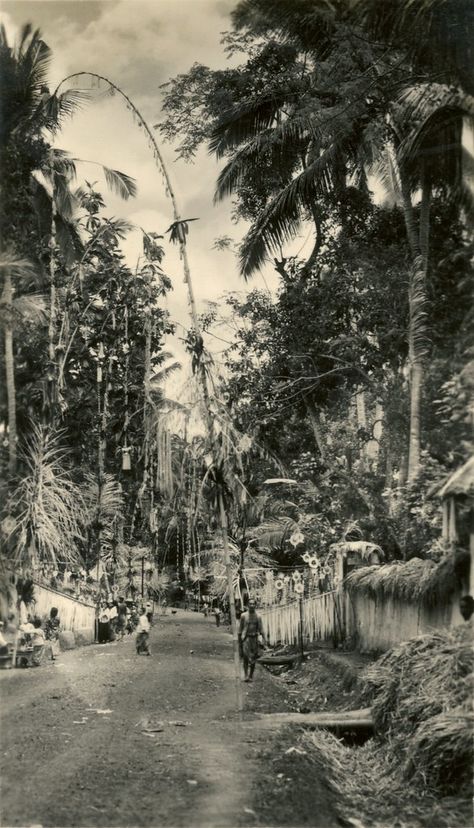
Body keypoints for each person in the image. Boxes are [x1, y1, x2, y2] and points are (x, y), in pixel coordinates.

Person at [239, 599, 267, 682]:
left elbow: (261, 629)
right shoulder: (243, 615)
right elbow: (240, 629)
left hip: (254, 639)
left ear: (255, 605)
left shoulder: (258, 616)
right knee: (245, 657)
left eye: (253, 604)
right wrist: (239, 641)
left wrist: (265, 640)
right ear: (248, 605)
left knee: (253, 658)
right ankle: (246, 675)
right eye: (250, 604)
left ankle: (251, 675)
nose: (251, 605)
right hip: (246, 638)